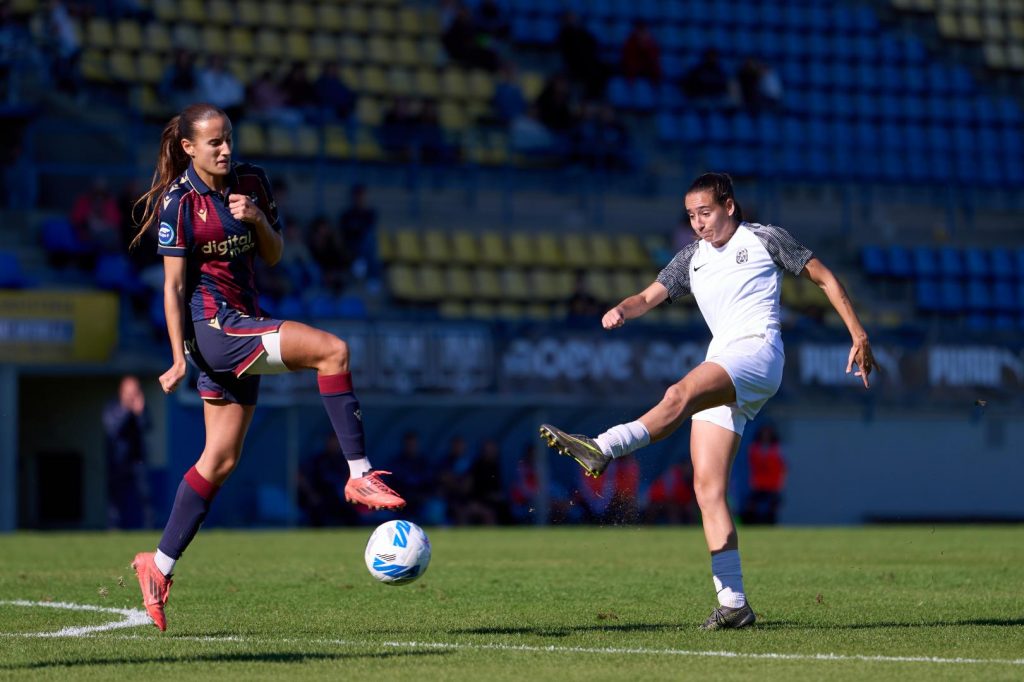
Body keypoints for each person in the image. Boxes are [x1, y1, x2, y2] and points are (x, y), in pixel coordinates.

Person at [539, 172, 875, 630]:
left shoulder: (764, 239)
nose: (698, 223)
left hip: (757, 352)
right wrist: (621, 309)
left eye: (706, 212)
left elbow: (824, 278)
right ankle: (734, 604)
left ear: (729, 207)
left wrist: (857, 333)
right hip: (724, 360)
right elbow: (646, 296)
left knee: (679, 393)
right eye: (691, 215)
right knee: (707, 489)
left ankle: (603, 448)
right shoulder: (690, 259)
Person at [127, 103, 405, 632]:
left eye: (228, 138)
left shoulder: (252, 181)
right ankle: (359, 475)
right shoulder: (179, 203)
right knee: (333, 351)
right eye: (214, 143)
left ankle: (157, 565)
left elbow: (273, 255)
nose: (226, 149)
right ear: (188, 148)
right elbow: (173, 287)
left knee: (221, 459)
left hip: (241, 322)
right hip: (215, 330)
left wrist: (255, 218)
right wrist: (175, 356)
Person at [102, 375, 152, 529]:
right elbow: (113, 430)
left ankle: (149, 529)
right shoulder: (113, 408)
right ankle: (113, 529)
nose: (132, 396)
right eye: (129, 392)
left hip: (137, 460)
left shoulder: (140, 411)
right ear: (122, 392)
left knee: (145, 497)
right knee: (116, 500)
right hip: (118, 461)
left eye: (135, 391)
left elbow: (147, 426)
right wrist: (127, 411)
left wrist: (139, 412)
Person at [741, 424, 786, 525]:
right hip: (758, 483)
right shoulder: (754, 448)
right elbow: (751, 464)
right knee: (752, 505)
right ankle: (751, 525)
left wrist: (781, 483)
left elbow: (783, 467)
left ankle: (770, 525)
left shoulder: (777, 449)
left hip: (772, 483)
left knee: (772, 507)